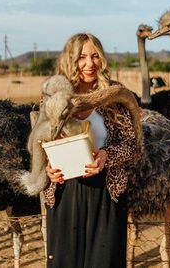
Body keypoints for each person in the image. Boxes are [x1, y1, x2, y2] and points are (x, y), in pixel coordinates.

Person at [44, 33, 138, 268]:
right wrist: (48, 169)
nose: (90, 64)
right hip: (65, 193)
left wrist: (107, 156)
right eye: (82, 57)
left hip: (106, 192)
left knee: (103, 262)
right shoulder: (54, 96)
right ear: (71, 59)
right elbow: (43, 143)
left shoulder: (115, 94)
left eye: (95, 56)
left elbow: (132, 145)